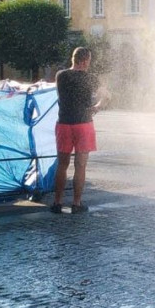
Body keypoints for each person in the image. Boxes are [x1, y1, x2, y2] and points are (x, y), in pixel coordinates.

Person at [51, 47, 107, 214]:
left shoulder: (60, 75)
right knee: (80, 165)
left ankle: (57, 202)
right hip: (83, 124)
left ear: (73, 59)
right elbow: (105, 95)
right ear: (85, 61)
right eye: (89, 60)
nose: (89, 63)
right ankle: (76, 203)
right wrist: (98, 105)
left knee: (62, 165)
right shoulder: (90, 78)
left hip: (64, 123)